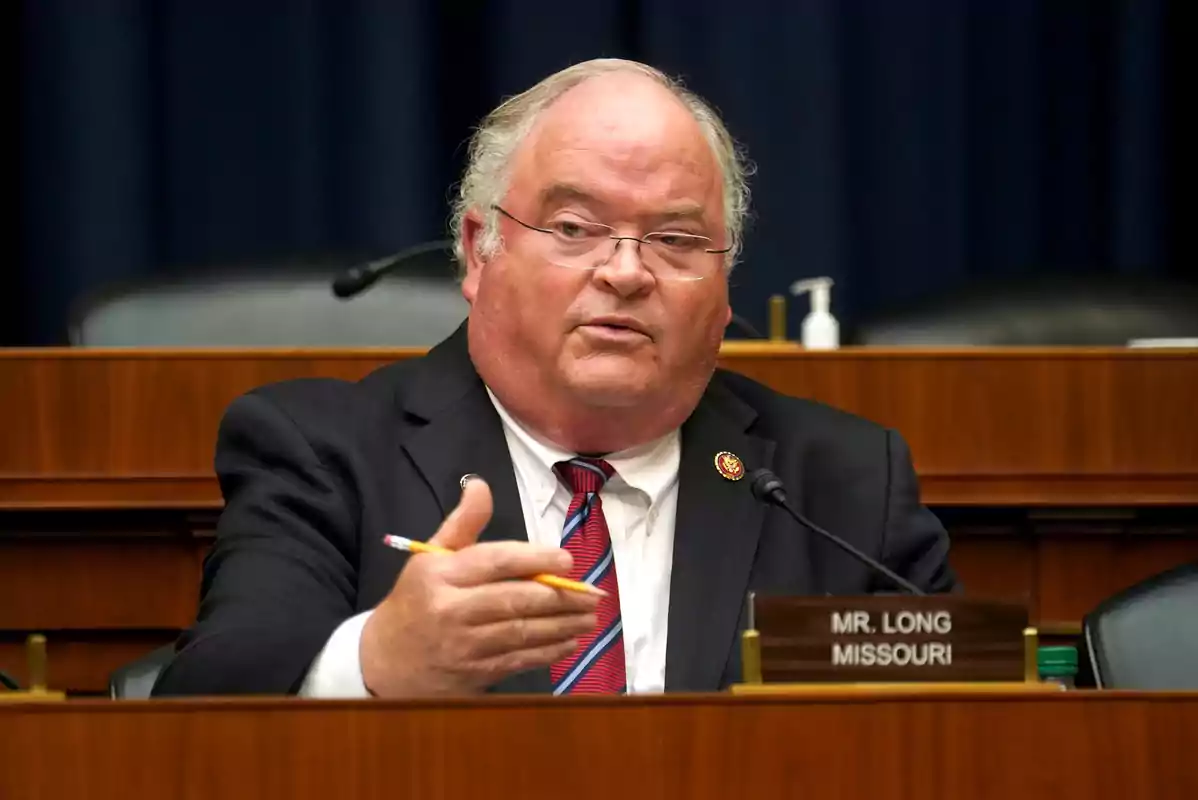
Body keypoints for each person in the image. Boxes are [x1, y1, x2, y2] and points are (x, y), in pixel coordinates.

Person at [152, 58, 956, 698]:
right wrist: (374, 663)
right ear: (477, 250)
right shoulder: (326, 455)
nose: (627, 271)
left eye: (676, 239)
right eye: (575, 228)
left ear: (724, 284)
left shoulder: (842, 486)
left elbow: (966, 723)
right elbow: (206, 703)